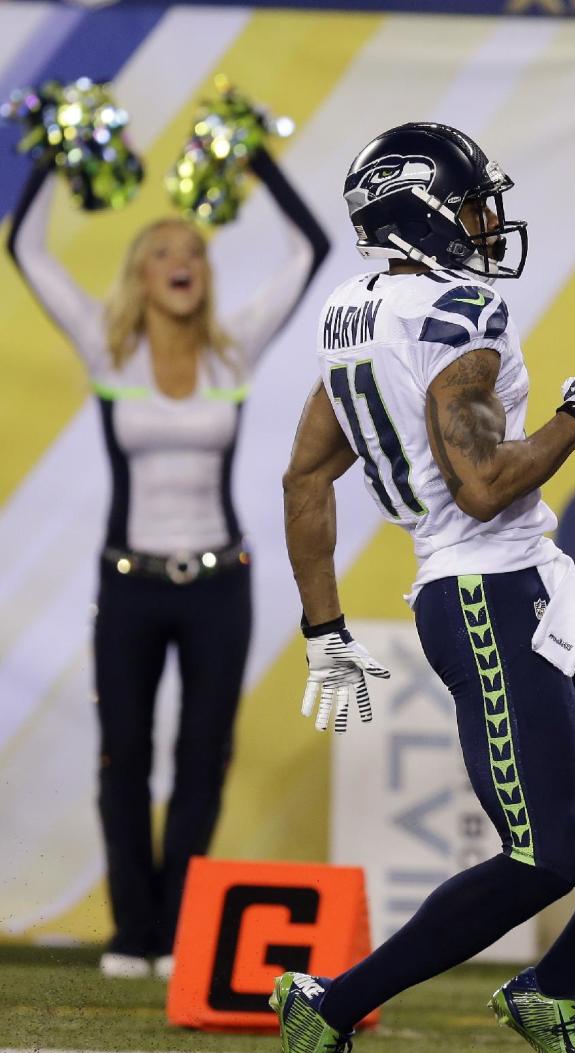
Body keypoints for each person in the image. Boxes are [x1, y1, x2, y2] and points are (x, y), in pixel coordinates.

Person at [273, 121, 575, 1053]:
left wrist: (325, 632)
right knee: (544, 857)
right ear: (425, 212)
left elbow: (306, 475)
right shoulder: (459, 310)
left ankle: (553, 987)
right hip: (484, 591)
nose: (487, 221)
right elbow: (481, 484)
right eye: (474, 202)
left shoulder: (354, 311)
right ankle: (332, 1003)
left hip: (524, 587)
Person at [7, 148, 329, 979]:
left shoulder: (235, 351)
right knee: (123, 752)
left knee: (203, 754)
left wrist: (256, 158)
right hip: (130, 585)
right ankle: (132, 933)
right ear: (139, 275)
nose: (181, 263)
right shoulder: (104, 347)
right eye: (162, 253)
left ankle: (181, 928)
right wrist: (50, 154)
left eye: (194, 253)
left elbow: (310, 250)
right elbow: (26, 251)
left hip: (222, 584)